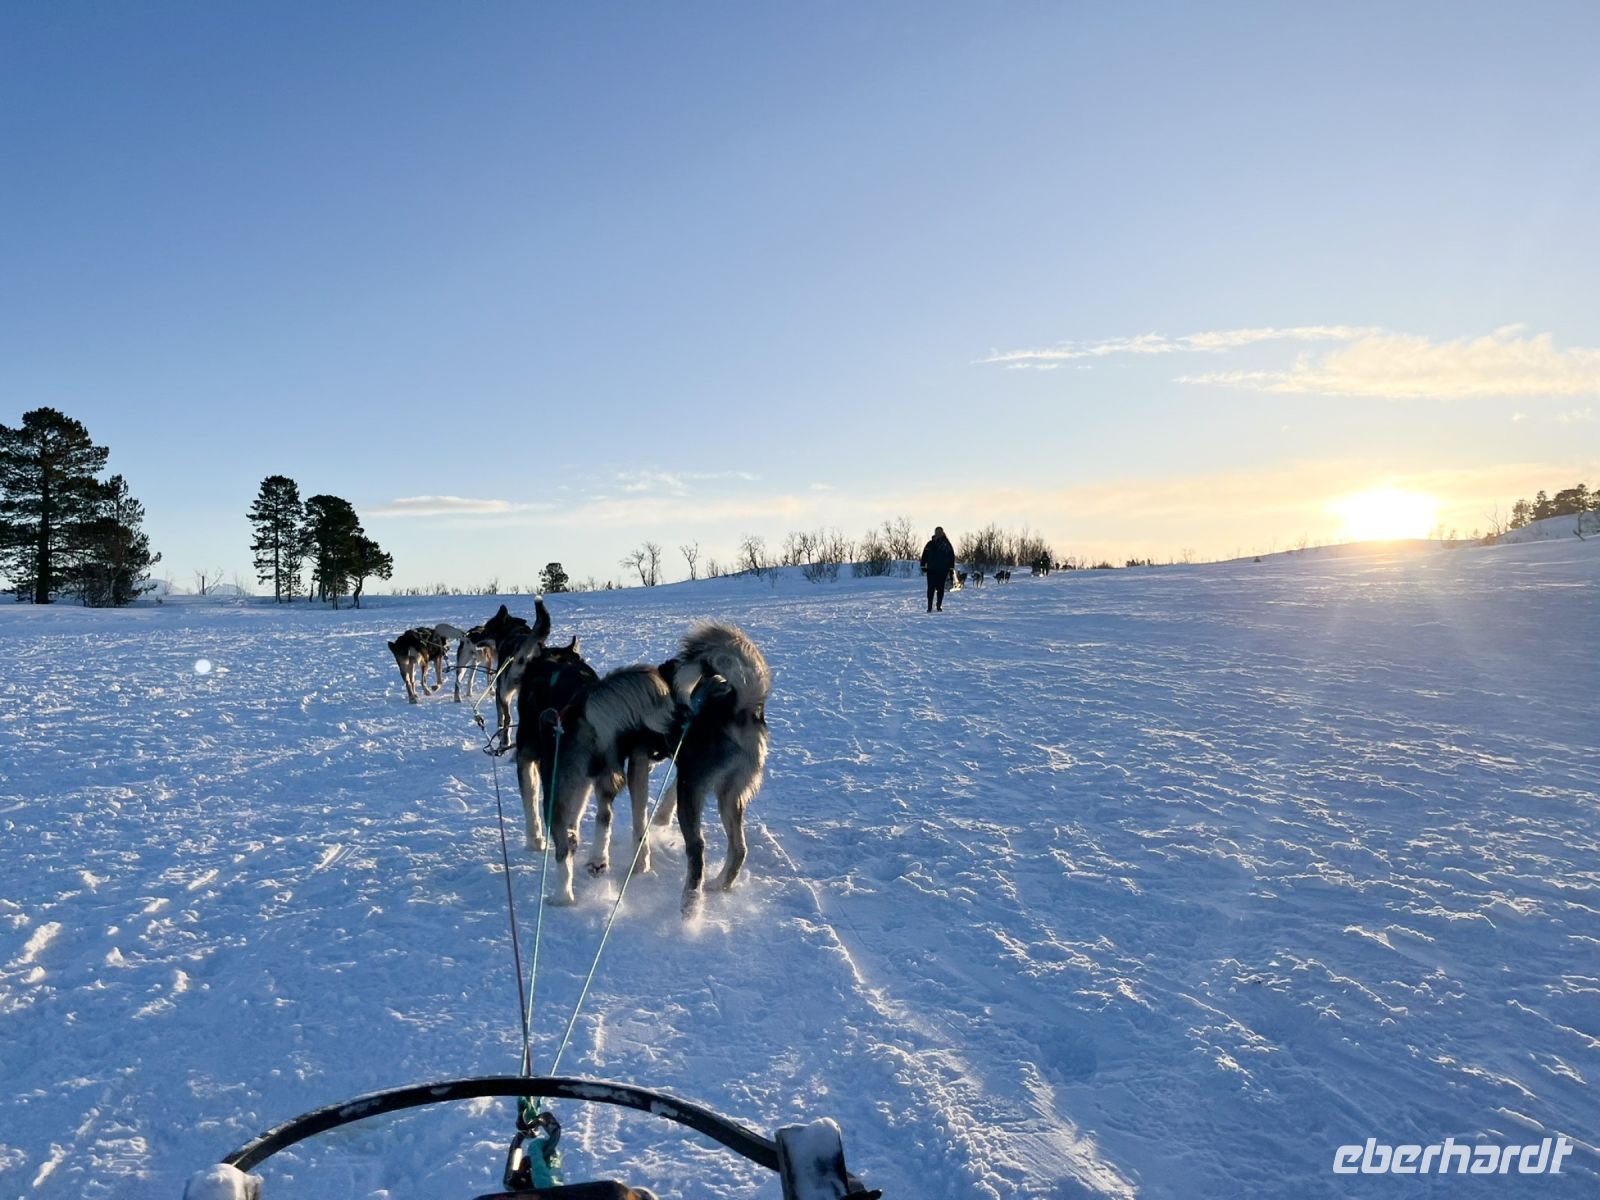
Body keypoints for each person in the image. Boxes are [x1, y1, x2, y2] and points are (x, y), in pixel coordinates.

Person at [919, 526, 956, 612]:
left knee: (940, 589)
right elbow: (924, 556)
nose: (938, 534)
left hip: (942, 571)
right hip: (931, 570)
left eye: (940, 532)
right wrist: (923, 566)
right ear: (935, 533)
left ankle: (939, 605)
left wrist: (951, 570)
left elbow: (951, 558)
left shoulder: (947, 545)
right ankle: (929, 607)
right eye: (937, 532)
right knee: (930, 589)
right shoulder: (930, 544)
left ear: (943, 533)